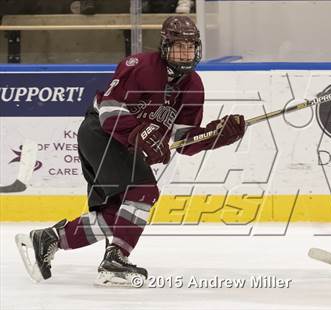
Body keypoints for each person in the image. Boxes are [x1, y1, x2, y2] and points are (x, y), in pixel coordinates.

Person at [15, 16, 245, 287]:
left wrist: (215, 135)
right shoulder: (139, 66)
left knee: (118, 214)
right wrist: (141, 133)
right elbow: (110, 112)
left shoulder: (193, 86)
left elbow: (183, 140)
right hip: (101, 135)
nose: (185, 54)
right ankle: (116, 259)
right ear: (165, 46)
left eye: (190, 47)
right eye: (178, 47)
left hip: (123, 144)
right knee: (144, 192)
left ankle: (50, 239)